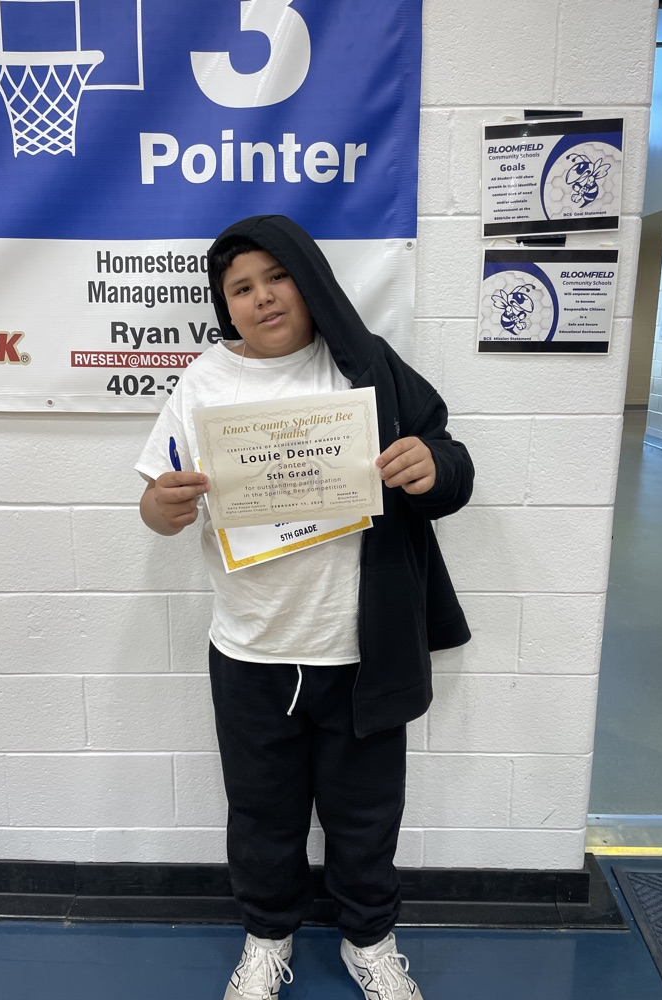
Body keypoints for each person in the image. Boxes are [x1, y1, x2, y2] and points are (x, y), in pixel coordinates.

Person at [136, 215, 474, 1000]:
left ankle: (370, 940)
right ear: (224, 305)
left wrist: (433, 465)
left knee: (367, 814)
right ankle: (266, 937)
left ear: (308, 279)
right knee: (262, 813)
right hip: (251, 648)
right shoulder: (203, 382)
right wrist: (164, 508)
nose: (262, 297)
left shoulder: (365, 366)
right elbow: (154, 500)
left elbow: (449, 457)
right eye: (241, 288)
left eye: (277, 276)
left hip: (359, 649)